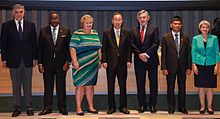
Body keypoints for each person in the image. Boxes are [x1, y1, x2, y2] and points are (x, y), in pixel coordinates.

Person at [0, 4, 37, 117]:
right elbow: (3, 44)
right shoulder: (6, 26)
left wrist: (35, 58)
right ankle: (17, 108)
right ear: (13, 13)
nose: (19, 14)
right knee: (15, 86)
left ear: (24, 12)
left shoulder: (31, 25)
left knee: (27, 85)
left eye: (21, 11)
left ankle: (29, 108)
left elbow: (34, 43)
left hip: (27, 60)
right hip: (13, 60)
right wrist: (4, 59)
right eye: (16, 12)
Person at [38, 11, 71, 115]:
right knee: (48, 87)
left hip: (61, 65)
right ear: (49, 19)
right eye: (52, 19)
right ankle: (47, 108)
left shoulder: (65, 30)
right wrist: (40, 64)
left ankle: (62, 108)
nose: (55, 21)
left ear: (59, 19)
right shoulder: (43, 31)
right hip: (47, 64)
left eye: (56, 18)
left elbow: (69, 48)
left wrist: (67, 61)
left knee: (61, 87)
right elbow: (40, 49)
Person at [69, 14, 102, 116]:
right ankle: (78, 108)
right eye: (87, 23)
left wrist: (100, 59)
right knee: (80, 86)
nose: (89, 25)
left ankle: (91, 107)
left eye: (90, 23)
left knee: (90, 86)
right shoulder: (77, 34)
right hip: (80, 65)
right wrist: (74, 61)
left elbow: (99, 47)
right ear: (82, 23)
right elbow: (72, 48)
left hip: (93, 65)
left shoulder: (95, 33)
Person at [130, 10, 159, 114]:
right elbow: (132, 44)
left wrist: (146, 54)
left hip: (152, 60)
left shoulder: (154, 28)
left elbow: (156, 43)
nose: (142, 19)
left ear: (148, 18)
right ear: (138, 19)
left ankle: (152, 105)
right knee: (140, 83)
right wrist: (140, 54)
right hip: (139, 61)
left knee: (153, 83)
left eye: (144, 17)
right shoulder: (133, 30)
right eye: (140, 18)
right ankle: (142, 105)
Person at [102, 12, 132, 114]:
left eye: (119, 20)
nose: (117, 22)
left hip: (122, 64)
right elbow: (104, 49)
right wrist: (104, 61)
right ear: (112, 21)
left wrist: (129, 60)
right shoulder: (106, 32)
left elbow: (129, 48)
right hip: (110, 64)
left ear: (122, 21)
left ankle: (123, 107)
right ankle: (111, 107)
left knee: (123, 86)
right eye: (115, 20)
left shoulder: (127, 32)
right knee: (110, 86)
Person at [161, 16, 192, 114]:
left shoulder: (186, 37)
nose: (177, 25)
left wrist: (189, 67)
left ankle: (182, 107)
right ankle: (171, 107)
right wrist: (163, 67)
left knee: (182, 87)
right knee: (170, 87)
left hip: (183, 67)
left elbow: (188, 53)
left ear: (181, 25)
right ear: (171, 25)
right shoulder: (166, 37)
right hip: (170, 67)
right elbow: (164, 54)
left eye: (179, 24)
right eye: (175, 24)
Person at [192, 20, 219, 114]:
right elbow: (193, 52)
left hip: (211, 65)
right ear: (200, 28)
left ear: (209, 28)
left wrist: (217, 65)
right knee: (201, 87)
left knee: (210, 87)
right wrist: (194, 65)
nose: (205, 29)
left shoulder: (214, 38)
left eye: (207, 27)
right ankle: (202, 107)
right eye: (203, 27)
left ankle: (210, 107)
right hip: (199, 65)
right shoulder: (195, 38)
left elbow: (216, 52)